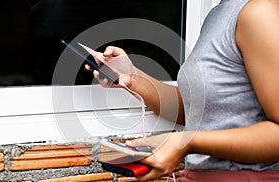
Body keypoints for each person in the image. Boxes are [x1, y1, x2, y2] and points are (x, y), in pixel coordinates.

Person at [86, 0, 279, 181]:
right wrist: (132, 77)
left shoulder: (260, 11)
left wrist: (185, 142)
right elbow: (199, 111)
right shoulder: (219, 14)